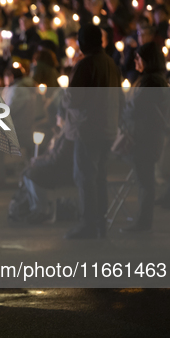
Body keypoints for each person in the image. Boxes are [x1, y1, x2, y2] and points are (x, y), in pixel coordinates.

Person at [62, 24, 122, 239]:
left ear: (82, 43)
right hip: (107, 127)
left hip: (88, 129)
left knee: (85, 177)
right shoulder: (110, 63)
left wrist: (66, 88)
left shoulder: (86, 65)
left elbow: (74, 98)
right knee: (100, 177)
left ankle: (88, 223)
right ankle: (100, 222)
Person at [119, 42, 170, 232]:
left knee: (145, 181)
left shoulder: (152, 83)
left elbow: (136, 108)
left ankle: (143, 221)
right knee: (145, 179)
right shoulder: (153, 80)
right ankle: (143, 220)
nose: (135, 61)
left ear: (148, 60)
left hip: (146, 138)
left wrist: (124, 108)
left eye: (138, 57)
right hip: (147, 136)